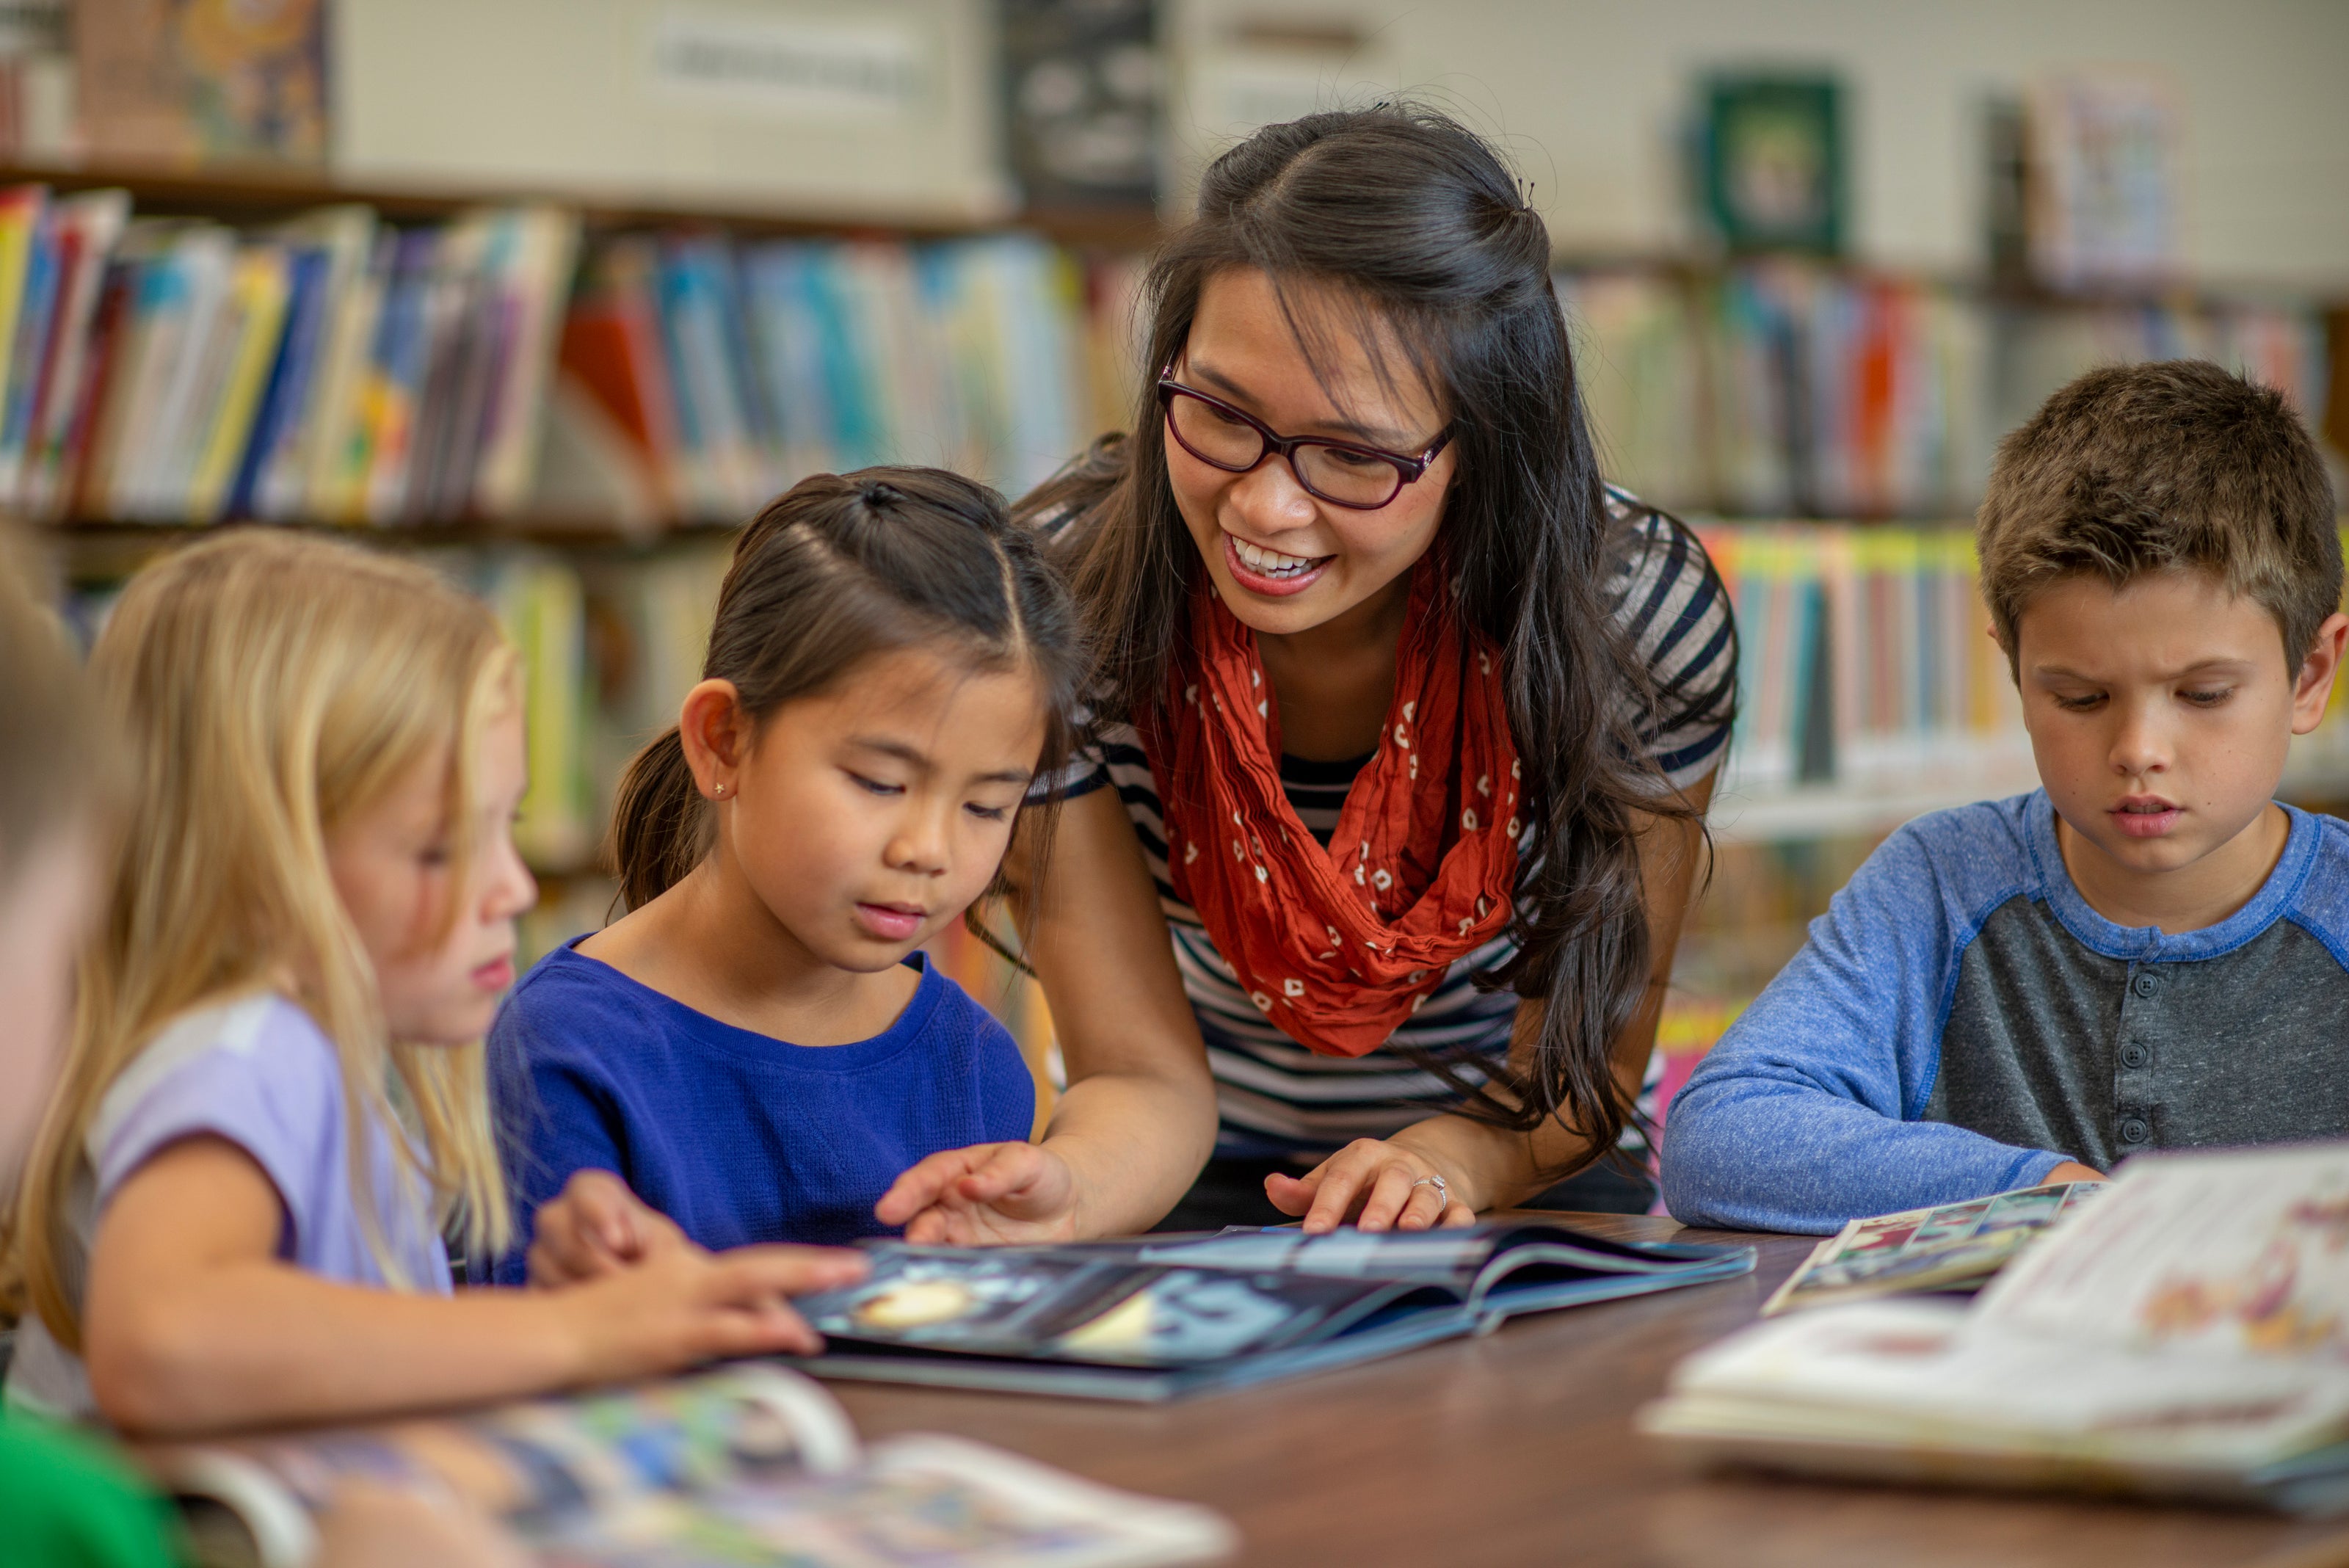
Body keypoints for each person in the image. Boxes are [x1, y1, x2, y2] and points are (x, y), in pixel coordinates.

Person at [876, 104, 1738, 1239]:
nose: (1265, 506)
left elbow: (1586, 1069)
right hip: (1190, 1169)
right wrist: (1057, 1198)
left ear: (1483, 452)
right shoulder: (1062, 602)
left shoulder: (1632, 616)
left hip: (1525, 1169)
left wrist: (1454, 1159)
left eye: (1354, 455)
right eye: (1220, 415)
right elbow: (1136, 1070)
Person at [4, 529, 867, 1437]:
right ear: (256, 869)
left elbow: (322, 1359)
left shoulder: (300, 1057)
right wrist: (563, 1333)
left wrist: (555, 1292)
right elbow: (163, 1342)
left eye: (509, 828)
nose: (515, 888)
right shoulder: (245, 1055)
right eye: (439, 848)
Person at [1662, 360, 2349, 1233]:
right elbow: (1721, 1135)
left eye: (2202, 695)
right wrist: (2040, 1191)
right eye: (2078, 699)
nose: (2138, 751)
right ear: (2014, 671)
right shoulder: (1940, 885)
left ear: (2308, 676)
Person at [489, 468, 1089, 1276]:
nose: (929, 850)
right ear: (723, 741)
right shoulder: (567, 1050)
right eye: (880, 783)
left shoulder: (972, 1060)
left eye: (986, 807)